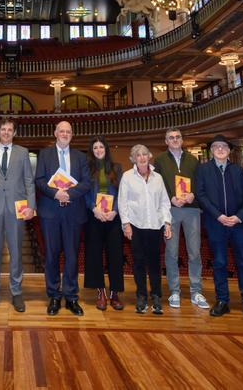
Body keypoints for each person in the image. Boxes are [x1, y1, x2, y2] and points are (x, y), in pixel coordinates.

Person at [195, 134, 243, 321]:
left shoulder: (239, 171)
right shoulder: (203, 170)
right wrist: (219, 216)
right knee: (219, 263)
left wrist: (239, 217)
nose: (219, 149)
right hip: (215, 223)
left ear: (229, 151)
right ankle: (222, 300)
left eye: (223, 146)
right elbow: (200, 195)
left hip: (239, 225)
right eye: (216, 146)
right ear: (211, 150)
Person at [35, 121, 93, 316]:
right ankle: (53, 295)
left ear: (72, 135)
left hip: (73, 212)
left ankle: (71, 297)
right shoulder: (45, 154)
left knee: (71, 256)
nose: (65, 134)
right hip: (50, 212)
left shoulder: (80, 157)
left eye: (68, 131)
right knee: (51, 255)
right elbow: (40, 180)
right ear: (55, 133)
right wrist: (55, 193)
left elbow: (86, 183)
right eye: (62, 131)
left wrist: (70, 194)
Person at [0, 117, 36, 313]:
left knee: (16, 252)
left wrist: (31, 206)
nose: (6, 132)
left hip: (16, 209)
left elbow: (29, 181)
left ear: (14, 133)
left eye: (9, 129)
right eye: (3, 129)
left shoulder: (23, 152)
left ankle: (16, 291)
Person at [153, 127, 209, 310]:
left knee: (194, 252)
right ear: (166, 141)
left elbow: (201, 184)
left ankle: (196, 291)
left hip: (192, 210)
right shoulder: (160, 160)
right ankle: (174, 290)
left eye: (178, 137)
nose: (175, 140)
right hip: (170, 210)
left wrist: (193, 195)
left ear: (182, 140)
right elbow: (157, 185)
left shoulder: (193, 160)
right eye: (171, 137)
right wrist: (171, 198)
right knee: (171, 251)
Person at [119, 145, 172, 315]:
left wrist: (167, 222)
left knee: (155, 264)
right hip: (136, 226)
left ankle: (156, 295)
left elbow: (164, 202)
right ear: (133, 159)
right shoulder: (127, 177)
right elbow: (122, 202)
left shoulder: (158, 177)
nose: (141, 158)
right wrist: (126, 224)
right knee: (139, 263)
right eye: (137, 155)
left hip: (155, 226)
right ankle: (141, 295)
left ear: (149, 156)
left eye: (144, 155)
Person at [83, 136, 124, 310]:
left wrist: (115, 210)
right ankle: (101, 292)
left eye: (101, 147)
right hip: (94, 217)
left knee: (115, 255)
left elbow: (122, 192)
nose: (99, 150)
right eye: (95, 148)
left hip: (113, 217)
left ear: (106, 149)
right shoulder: (86, 169)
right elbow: (84, 193)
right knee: (94, 255)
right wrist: (94, 209)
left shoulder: (117, 168)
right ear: (92, 151)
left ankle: (115, 293)